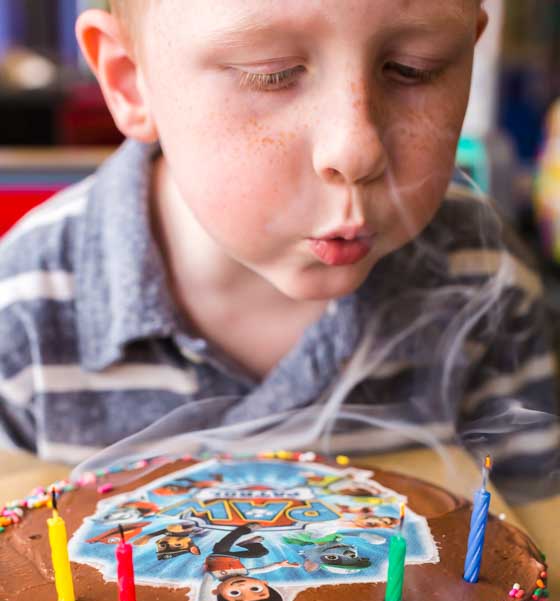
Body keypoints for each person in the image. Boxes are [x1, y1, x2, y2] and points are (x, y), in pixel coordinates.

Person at [0, 0, 557, 502]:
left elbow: (535, 538)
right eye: (272, 75)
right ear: (129, 82)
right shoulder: (24, 309)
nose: (357, 150)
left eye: (416, 67)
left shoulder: (485, 279)